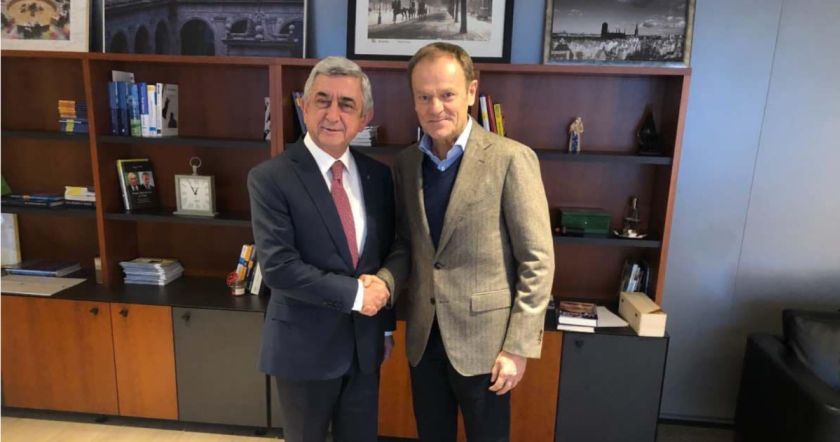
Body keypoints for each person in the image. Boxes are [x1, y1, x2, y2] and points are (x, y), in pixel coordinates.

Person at [365, 42, 555, 441]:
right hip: (424, 340)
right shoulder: (406, 164)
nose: (435, 108)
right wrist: (384, 281)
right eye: (424, 97)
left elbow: (537, 260)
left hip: (488, 346)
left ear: (471, 91)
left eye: (447, 94)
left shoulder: (511, 159)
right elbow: (407, 244)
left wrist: (517, 347)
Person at [248, 56, 396, 442]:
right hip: (303, 350)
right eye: (322, 100)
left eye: (346, 104)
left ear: (364, 117)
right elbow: (279, 267)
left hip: (364, 348)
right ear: (304, 106)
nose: (332, 114)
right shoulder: (270, 178)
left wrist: (383, 323)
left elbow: (389, 250)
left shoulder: (378, 176)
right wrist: (358, 295)